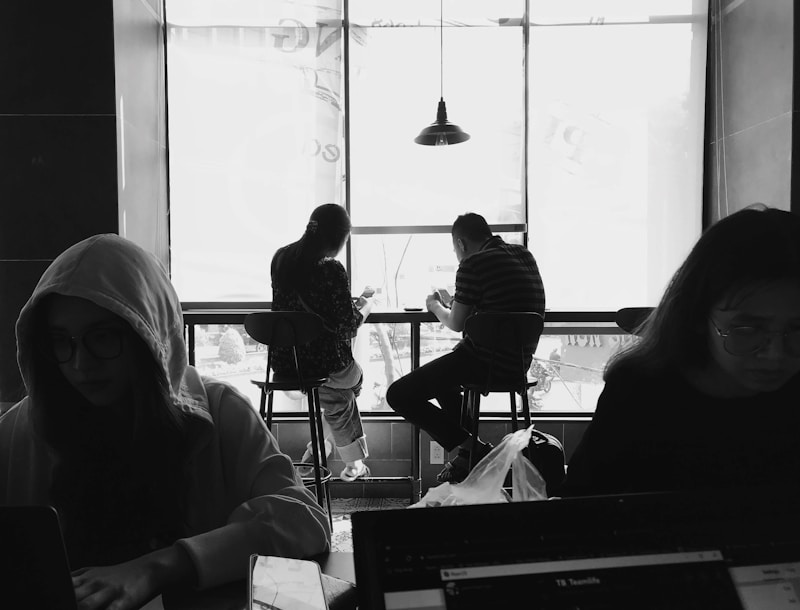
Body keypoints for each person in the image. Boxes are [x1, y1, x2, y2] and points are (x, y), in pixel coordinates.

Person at [0, 234, 330, 610]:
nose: (79, 364)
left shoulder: (222, 412)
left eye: (103, 336)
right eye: (61, 341)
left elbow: (304, 520)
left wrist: (160, 566)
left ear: (149, 334)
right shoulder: (20, 431)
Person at [562, 205, 800, 497]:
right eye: (747, 330)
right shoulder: (640, 393)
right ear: (699, 315)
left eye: (797, 330)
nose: (775, 354)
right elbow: (580, 509)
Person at [386, 213, 546, 483]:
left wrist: (435, 305)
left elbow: (456, 323)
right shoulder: (524, 256)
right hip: (518, 364)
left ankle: (476, 450)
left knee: (398, 395)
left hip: (484, 363)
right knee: (444, 379)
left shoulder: (473, 264)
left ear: (460, 244)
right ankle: (465, 455)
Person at [271, 203, 374, 482]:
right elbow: (348, 326)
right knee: (350, 384)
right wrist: (366, 306)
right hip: (326, 366)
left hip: (285, 364)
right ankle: (350, 460)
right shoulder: (331, 269)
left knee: (334, 392)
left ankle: (321, 447)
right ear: (341, 237)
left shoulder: (281, 258)